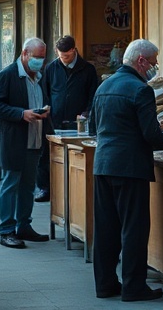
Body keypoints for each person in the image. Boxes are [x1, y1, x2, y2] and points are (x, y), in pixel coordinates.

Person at [90, 39, 163, 302]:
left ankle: (105, 285)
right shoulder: (140, 89)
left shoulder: (104, 85)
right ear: (141, 61)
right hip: (130, 167)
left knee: (106, 228)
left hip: (103, 165)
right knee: (134, 228)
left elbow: (93, 127)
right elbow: (151, 137)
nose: (154, 67)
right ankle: (134, 287)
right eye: (153, 62)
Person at [0, 37, 52, 249]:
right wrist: (21, 114)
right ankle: (7, 230)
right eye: (36, 57)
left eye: (43, 57)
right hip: (14, 141)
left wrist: (43, 113)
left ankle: (24, 225)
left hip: (34, 139)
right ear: (24, 54)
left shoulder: (38, 77)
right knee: (10, 184)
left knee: (28, 186)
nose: (40, 62)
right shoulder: (8, 75)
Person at [34, 35, 100, 202]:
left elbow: (94, 95)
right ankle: (44, 188)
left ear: (74, 50)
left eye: (67, 56)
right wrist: (46, 107)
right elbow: (44, 91)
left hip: (78, 120)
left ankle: (72, 190)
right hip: (53, 118)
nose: (63, 59)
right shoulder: (51, 68)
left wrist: (87, 112)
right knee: (46, 155)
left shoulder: (87, 69)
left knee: (75, 155)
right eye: (60, 55)